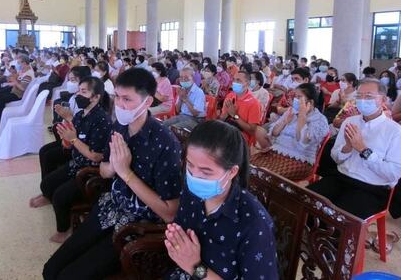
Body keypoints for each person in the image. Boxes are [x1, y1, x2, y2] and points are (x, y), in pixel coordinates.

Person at [43, 68, 182, 279]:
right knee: (51, 269)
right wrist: (114, 167)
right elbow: (104, 170)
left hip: (138, 225)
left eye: (127, 99)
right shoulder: (119, 127)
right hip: (110, 207)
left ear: (147, 102)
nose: (119, 104)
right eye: (117, 96)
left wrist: (126, 173)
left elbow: (169, 213)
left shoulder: (165, 143)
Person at [165, 120, 278, 280]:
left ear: (232, 172)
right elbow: (179, 241)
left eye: (206, 172)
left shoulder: (254, 224)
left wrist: (195, 267)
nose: (194, 176)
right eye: (189, 165)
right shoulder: (192, 194)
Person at [307, 79, 401, 219]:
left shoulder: (396, 132)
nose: (362, 100)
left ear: (383, 100)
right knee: (305, 203)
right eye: (359, 96)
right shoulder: (350, 122)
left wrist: (363, 150)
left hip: (372, 187)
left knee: (335, 220)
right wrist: (347, 148)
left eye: (369, 96)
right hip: (341, 178)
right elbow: (336, 158)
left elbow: (393, 174)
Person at [30, 77, 112, 243]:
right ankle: (48, 197)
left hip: (90, 170)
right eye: (79, 90)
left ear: (96, 97)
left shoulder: (102, 120)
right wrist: (67, 134)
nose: (78, 95)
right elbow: (73, 138)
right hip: (77, 162)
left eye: (84, 92)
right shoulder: (82, 114)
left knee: (60, 196)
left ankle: (64, 230)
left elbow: (96, 156)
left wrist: (73, 140)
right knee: (46, 184)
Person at [252, 83, 329, 181]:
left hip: (299, 160)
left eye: (299, 97)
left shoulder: (320, 120)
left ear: (310, 102)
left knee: (266, 176)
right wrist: (285, 122)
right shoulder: (291, 111)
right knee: (250, 167)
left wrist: (302, 116)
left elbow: (303, 141)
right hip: (276, 152)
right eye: (295, 96)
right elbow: (274, 133)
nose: (295, 100)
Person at [0, 55, 34, 128]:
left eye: (19, 63)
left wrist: (14, 81)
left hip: (18, 94)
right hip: (15, 90)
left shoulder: (28, 75)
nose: (18, 65)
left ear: (24, 63)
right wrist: (13, 79)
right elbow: (18, 78)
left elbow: (23, 88)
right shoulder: (25, 70)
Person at [219, 71, 262, 145]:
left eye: (238, 80)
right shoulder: (230, 96)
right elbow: (222, 119)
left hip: (241, 137)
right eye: (234, 79)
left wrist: (235, 115)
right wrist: (225, 115)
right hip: (226, 129)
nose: (234, 83)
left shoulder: (254, 103)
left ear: (247, 84)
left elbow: (252, 131)